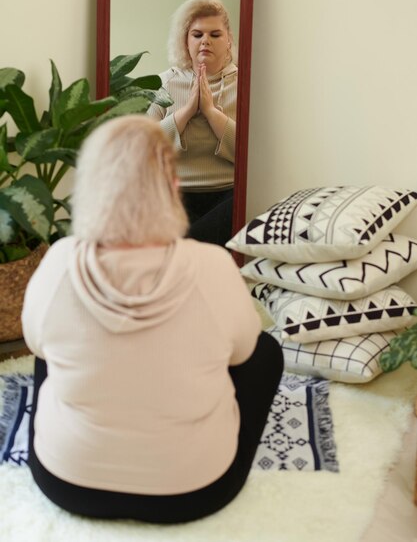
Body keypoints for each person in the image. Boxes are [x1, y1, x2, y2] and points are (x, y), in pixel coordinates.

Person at [22, 115, 284, 524]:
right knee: (266, 350)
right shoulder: (212, 266)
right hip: (194, 492)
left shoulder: (59, 264)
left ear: (90, 186)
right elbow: (244, 352)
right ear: (173, 186)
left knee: (48, 349)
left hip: (68, 483)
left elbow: (38, 345)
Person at [148, 0, 238, 247]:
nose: (205, 41)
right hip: (175, 195)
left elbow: (254, 156)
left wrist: (211, 112)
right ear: (185, 40)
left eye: (215, 34)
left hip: (227, 197)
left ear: (229, 39)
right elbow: (145, 148)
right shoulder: (163, 84)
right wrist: (186, 112)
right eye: (197, 34)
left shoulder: (244, 85)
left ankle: (183, 251)